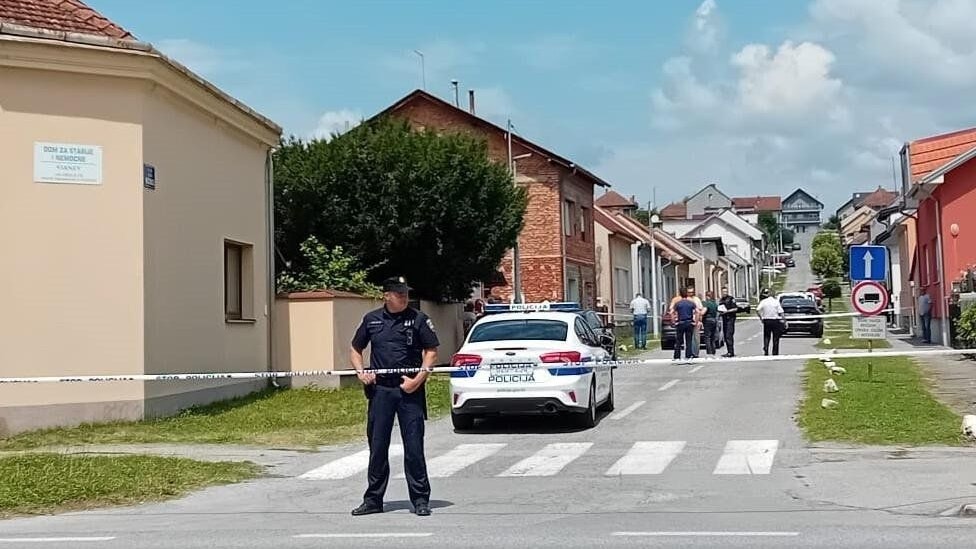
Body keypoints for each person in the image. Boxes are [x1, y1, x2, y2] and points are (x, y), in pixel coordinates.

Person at [350, 276, 440, 517]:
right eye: (399, 293)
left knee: (413, 447)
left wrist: (417, 380)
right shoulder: (372, 320)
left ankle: (420, 499)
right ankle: (373, 500)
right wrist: (361, 373)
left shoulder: (419, 319)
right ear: (386, 295)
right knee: (378, 446)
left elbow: (431, 352)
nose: (404, 297)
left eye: (406, 293)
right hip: (381, 391)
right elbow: (356, 349)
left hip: (408, 388)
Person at [669, 287, 699, 360]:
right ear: (687, 294)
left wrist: (673, 321)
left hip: (680, 322)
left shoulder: (678, 303)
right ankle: (688, 355)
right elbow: (697, 312)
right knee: (689, 340)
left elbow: (671, 312)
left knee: (678, 340)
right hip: (689, 323)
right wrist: (696, 322)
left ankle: (677, 356)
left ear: (680, 294)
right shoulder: (691, 303)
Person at [756, 288, 785, 356]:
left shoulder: (764, 301)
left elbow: (757, 310)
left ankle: (766, 348)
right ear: (773, 295)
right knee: (775, 337)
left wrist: (761, 318)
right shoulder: (776, 302)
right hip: (775, 320)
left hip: (767, 320)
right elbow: (781, 312)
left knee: (766, 336)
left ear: (768, 294)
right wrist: (784, 320)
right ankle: (775, 352)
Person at [718, 287, 738, 358]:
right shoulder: (721, 300)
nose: (724, 293)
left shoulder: (731, 299)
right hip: (724, 319)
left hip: (730, 319)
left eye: (726, 291)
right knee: (725, 336)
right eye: (723, 292)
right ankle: (729, 351)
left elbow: (735, 308)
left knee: (729, 335)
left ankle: (731, 352)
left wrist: (727, 311)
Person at [702, 290, 719, 358]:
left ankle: (709, 352)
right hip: (714, 320)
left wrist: (700, 314)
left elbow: (704, 311)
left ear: (707, 296)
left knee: (707, 337)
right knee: (712, 337)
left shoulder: (707, 303)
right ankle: (713, 350)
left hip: (708, 320)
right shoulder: (714, 303)